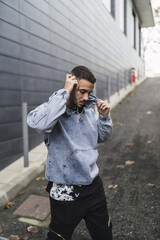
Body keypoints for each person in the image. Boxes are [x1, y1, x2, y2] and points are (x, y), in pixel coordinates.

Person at [27, 66, 113, 240]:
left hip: (93, 186)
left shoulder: (88, 110)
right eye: (82, 91)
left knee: (104, 233)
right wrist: (64, 92)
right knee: (59, 237)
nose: (86, 97)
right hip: (65, 190)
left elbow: (102, 137)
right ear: (71, 85)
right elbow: (39, 124)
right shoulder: (52, 110)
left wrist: (104, 117)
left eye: (89, 92)